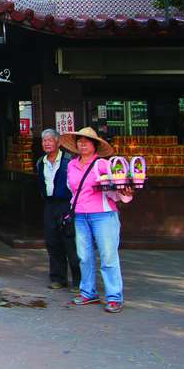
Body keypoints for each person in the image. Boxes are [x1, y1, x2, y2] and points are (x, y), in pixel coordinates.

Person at [60, 127, 134, 313]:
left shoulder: (103, 164)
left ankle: (114, 297)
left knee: (108, 256)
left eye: (87, 141)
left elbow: (117, 186)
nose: (82, 144)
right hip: (80, 215)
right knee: (84, 256)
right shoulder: (71, 165)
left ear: (95, 145)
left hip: (103, 215)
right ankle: (88, 292)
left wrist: (124, 192)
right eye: (80, 141)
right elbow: (72, 189)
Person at [37, 128, 80, 290]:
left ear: (58, 142)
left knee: (70, 242)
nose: (47, 143)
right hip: (50, 205)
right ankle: (58, 278)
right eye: (44, 141)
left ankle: (78, 281)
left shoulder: (69, 161)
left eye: (50, 140)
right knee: (52, 241)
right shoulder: (40, 162)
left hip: (66, 204)